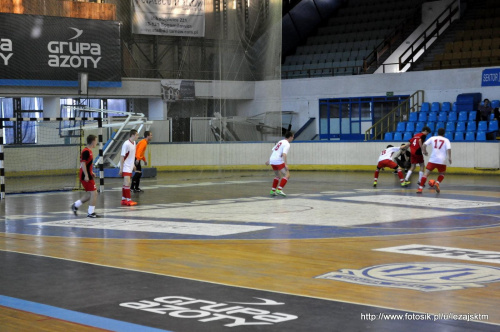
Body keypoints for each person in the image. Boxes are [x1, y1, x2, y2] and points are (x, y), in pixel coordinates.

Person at [417, 127, 452, 194]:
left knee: (425, 174)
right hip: (442, 160)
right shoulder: (446, 140)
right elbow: (449, 149)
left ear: (437, 133)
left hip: (433, 160)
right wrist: (449, 158)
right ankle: (437, 183)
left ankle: (420, 189)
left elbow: (424, 145)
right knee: (442, 173)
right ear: (444, 134)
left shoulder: (432, 138)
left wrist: (424, 151)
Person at [71, 135, 99, 218]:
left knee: (90, 194)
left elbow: (87, 164)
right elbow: (83, 164)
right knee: (94, 193)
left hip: (87, 174)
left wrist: (91, 172)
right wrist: (86, 175)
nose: (96, 143)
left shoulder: (89, 151)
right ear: (93, 141)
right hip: (85, 175)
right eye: (96, 141)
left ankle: (75, 205)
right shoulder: (86, 151)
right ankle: (90, 213)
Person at [266, 131, 294, 197]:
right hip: (278, 160)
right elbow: (284, 154)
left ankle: (272, 191)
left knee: (278, 176)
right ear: (290, 137)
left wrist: (269, 160)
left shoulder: (280, 141)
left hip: (273, 160)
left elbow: (274, 150)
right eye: (293, 137)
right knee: (287, 175)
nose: (293, 138)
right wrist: (286, 164)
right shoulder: (287, 144)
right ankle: (279, 189)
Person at [119, 129, 139, 206]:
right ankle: (128, 200)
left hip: (129, 166)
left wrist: (133, 165)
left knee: (125, 183)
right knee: (127, 183)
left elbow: (131, 155)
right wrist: (121, 168)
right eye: (137, 135)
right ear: (132, 135)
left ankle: (123, 199)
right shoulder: (126, 144)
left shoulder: (134, 143)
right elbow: (122, 157)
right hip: (125, 166)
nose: (138, 136)